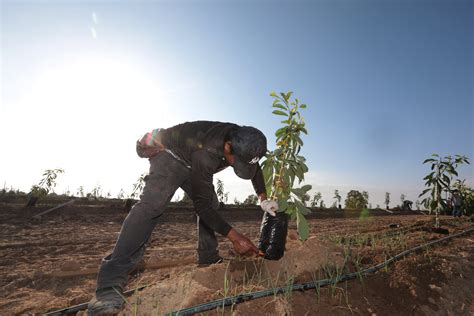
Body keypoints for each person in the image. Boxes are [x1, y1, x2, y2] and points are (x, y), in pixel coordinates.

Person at [88, 121, 278, 315]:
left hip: (191, 160)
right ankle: (108, 287)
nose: (236, 165)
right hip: (169, 154)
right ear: (228, 146)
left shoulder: (243, 138)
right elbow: (201, 206)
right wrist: (235, 237)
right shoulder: (208, 152)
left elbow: (254, 167)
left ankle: (208, 258)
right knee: (153, 205)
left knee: (212, 202)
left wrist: (263, 198)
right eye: (235, 160)